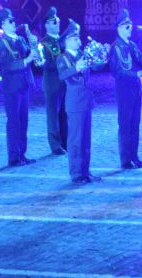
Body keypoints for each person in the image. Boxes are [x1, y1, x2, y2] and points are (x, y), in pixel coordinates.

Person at [0, 10, 35, 168]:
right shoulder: (1, 43)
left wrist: (34, 44)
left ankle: (22, 152)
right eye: (10, 21)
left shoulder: (20, 39)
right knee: (14, 122)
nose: (14, 22)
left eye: (14, 20)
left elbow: (29, 54)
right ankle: (14, 156)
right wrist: (26, 61)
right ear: (3, 24)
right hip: (12, 85)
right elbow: (6, 66)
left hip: (24, 84)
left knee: (24, 120)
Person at [58, 21, 99, 185]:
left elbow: (96, 66)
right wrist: (76, 67)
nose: (78, 41)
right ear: (67, 40)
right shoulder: (63, 58)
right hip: (74, 103)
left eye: (77, 38)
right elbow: (62, 75)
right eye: (75, 38)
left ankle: (85, 171)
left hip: (86, 101)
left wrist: (101, 54)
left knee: (86, 139)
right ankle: (76, 174)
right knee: (75, 140)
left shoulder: (82, 54)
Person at [108, 10, 142, 171]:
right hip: (124, 90)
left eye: (130, 26)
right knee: (125, 125)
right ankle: (125, 159)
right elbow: (116, 72)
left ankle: (135, 157)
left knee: (135, 124)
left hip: (135, 89)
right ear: (118, 28)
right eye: (126, 26)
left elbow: (141, 60)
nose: (129, 28)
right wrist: (135, 74)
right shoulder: (115, 47)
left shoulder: (131, 45)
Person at [37, 7, 68, 156]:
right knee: (53, 115)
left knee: (64, 114)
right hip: (52, 84)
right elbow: (45, 64)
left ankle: (65, 142)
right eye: (54, 22)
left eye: (58, 21)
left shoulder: (61, 41)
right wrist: (61, 63)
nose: (58, 24)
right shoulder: (44, 43)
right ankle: (55, 145)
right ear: (47, 25)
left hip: (64, 83)